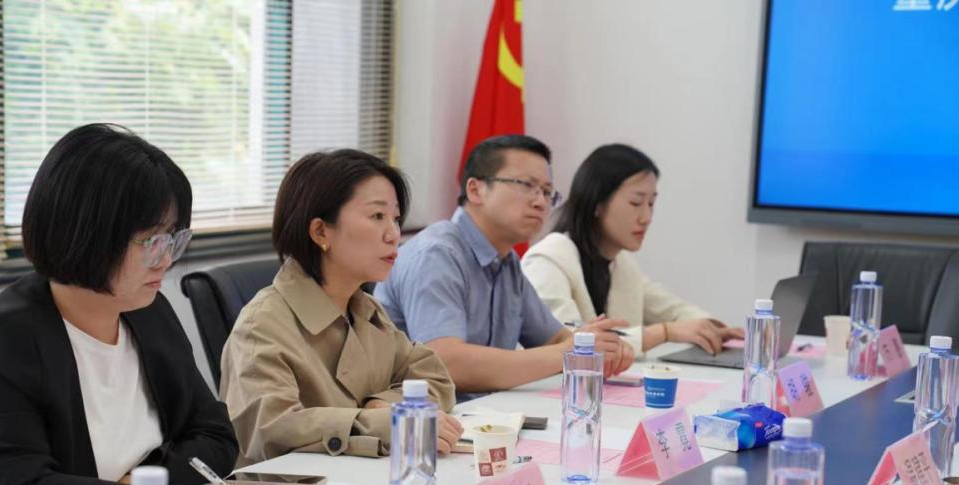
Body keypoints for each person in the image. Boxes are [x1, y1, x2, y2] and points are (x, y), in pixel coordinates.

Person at [0, 124, 261, 485]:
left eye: (173, 239)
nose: (165, 260)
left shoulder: (148, 312)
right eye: (151, 241)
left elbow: (214, 435)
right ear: (85, 234)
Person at [220, 149, 461, 464]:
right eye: (377, 216)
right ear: (320, 231)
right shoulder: (261, 325)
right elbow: (271, 432)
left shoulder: (366, 309)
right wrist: (386, 422)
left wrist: (381, 405)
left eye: (395, 218)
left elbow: (435, 379)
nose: (394, 234)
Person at [375, 135, 634, 399]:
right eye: (526, 185)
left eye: (547, 192)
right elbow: (445, 364)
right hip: (417, 418)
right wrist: (571, 351)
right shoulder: (437, 254)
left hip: (483, 414)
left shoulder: (507, 262)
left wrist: (596, 345)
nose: (540, 202)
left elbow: (557, 341)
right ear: (475, 190)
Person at [522, 144, 743, 356]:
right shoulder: (547, 260)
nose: (646, 218)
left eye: (651, 204)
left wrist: (714, 329)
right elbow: (566, 344)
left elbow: (672, 310)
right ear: (597, 204)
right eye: (636, 203)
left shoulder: (621, 263)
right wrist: (664, 333)